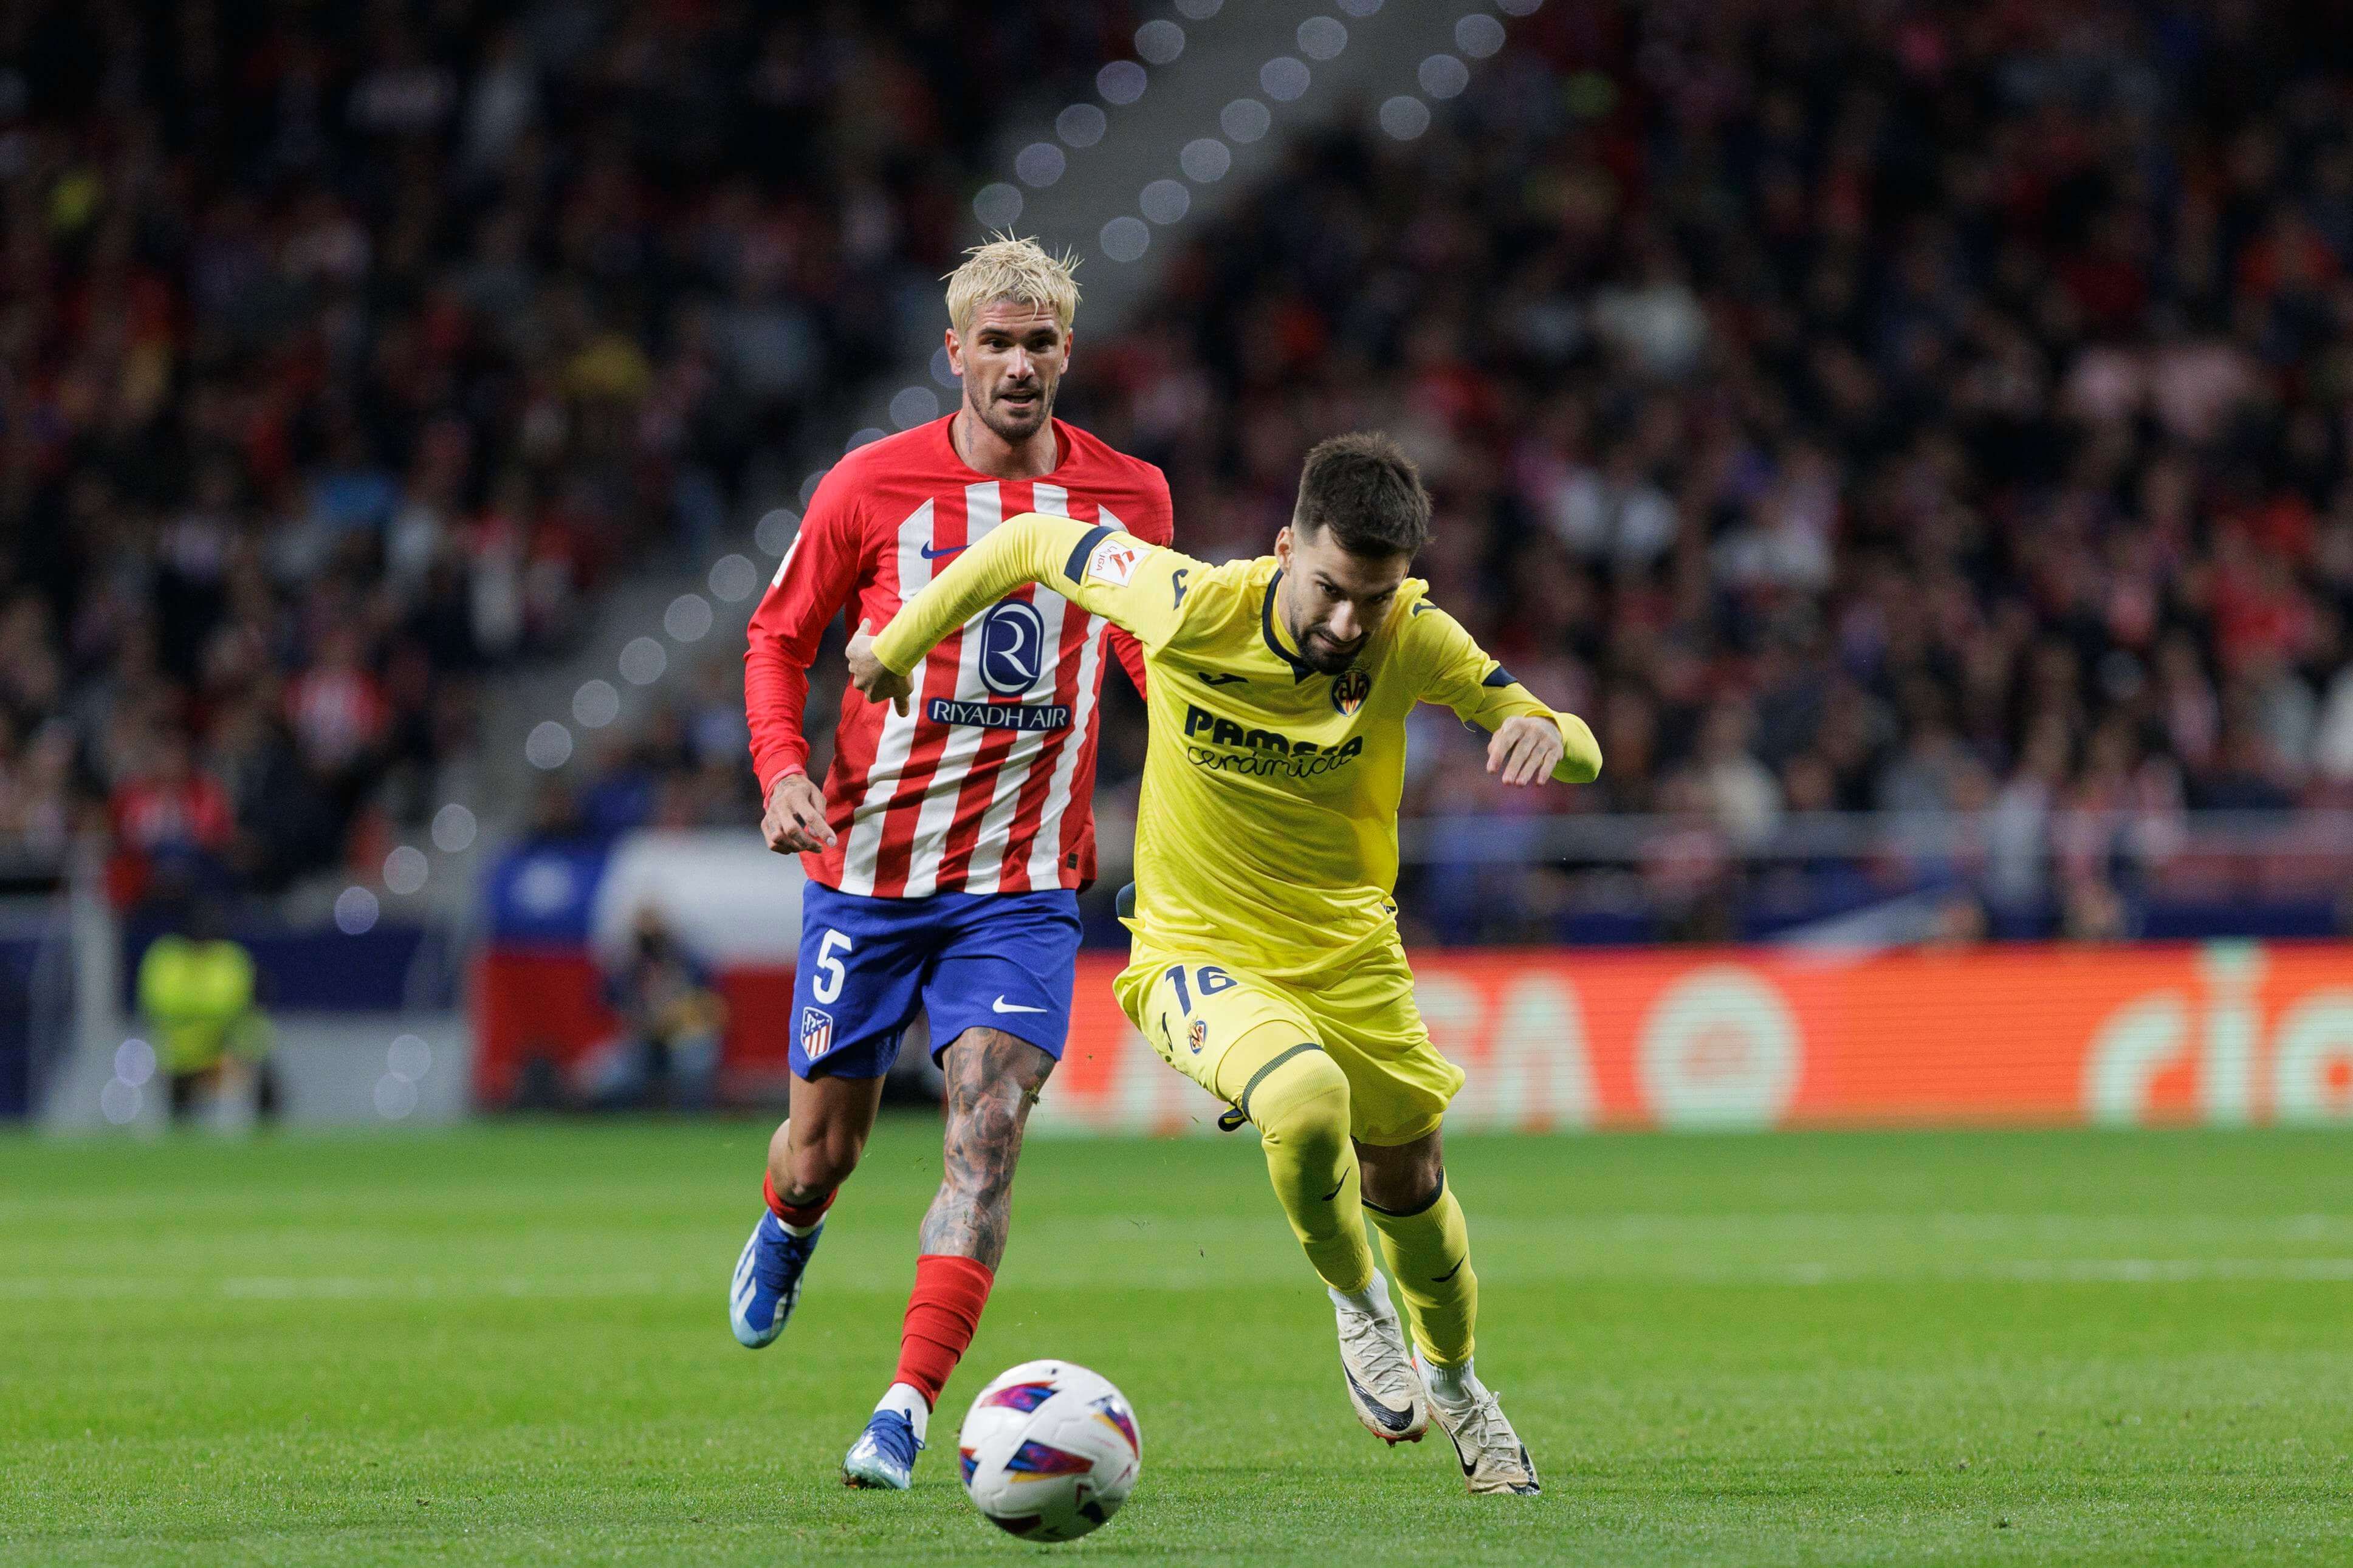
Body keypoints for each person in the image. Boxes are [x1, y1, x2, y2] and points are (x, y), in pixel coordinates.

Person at [848, 433, 1600, 1496]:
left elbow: (1576, 742)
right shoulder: (1183, 601)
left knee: (1412, 1182)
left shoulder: (1414, 638)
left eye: (1372, 600)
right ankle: (1356, 1307)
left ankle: (1464, 1385)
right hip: (1193, 951)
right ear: (1284, 545)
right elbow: (1025, 540)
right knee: (1302, 1096)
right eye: (1332, 589)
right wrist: (894, 641)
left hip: (1351, 957)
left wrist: (1540, 728)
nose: (1349, 623)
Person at [733, 236, 1172, 1489]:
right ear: (956, 354)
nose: (1020, 364)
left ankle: (907, 1408)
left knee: (987, 1124)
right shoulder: (868, 488)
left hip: (1025, 883)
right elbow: (777, 639)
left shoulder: (1130, 496)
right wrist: (780, 773)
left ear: (1067, 354)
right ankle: (786, 1221)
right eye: (998, 343)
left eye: (1041, 344)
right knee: (822, 1151)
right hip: (866, 872)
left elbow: (1152, 655)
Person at [137, 900, 278, 1125]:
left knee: (264, 1077)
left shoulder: (229, 958)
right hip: (180, 1050)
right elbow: (155, 1006)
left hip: (224, 1045)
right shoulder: (167, 958)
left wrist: (236, 1048)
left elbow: (246, 1007)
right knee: (179, 1108)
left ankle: (267, 1135)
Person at [579, 906, 727, 1111]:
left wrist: (677, 1017)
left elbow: (714, 1007)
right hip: (640, 1041)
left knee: (694, 1061)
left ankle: (692, 1119)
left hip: (682, 1038)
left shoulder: (688, 963)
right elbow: (605, 1003)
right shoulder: (628, 966)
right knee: (602, 1077)